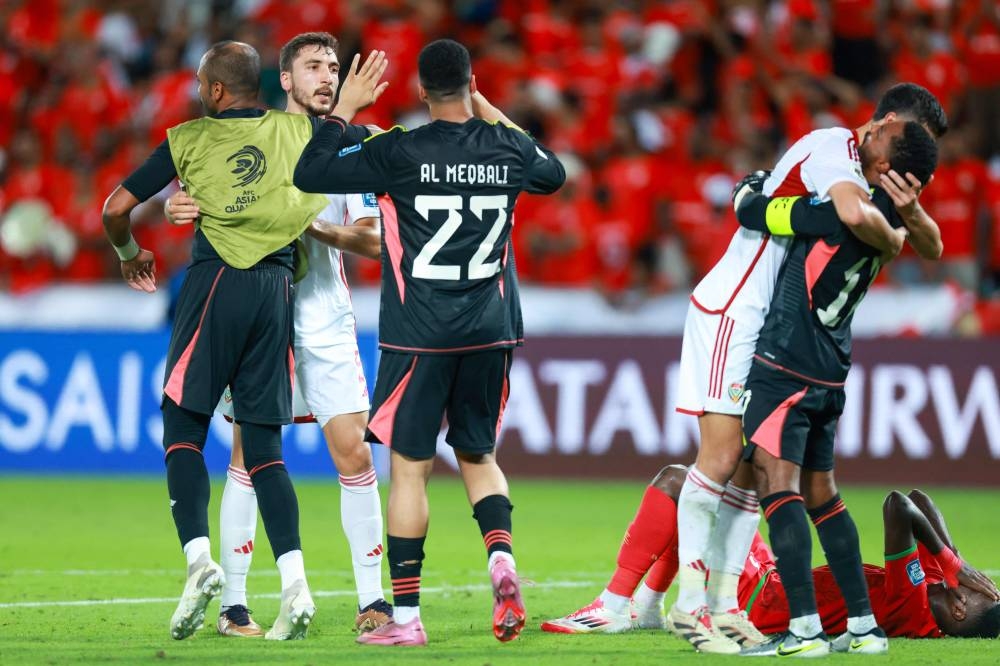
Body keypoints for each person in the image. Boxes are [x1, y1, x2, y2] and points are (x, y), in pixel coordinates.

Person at [101, 40, 385, 641]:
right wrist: (185, 205)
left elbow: (374, 239)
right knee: (247, 456)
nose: (328, 77)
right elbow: (211, 179)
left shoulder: (345, 141)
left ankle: (372, 602)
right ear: (283, 78)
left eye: (335, 69)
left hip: (324, 315)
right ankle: (235, 605)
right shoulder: (274, 132)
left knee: (353, 453)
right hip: (273, 304)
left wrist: (315, 225)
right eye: (315, 67)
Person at [293, 39, 566, 646]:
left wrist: (346, 110)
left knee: (410, 470)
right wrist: (489, 109)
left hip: (419, 335)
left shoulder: (399, 149)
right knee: (479, 456)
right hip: (491, 330)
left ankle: (409, 621)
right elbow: (554, 171)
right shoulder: (506, 146)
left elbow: (309, 171)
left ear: (420, 92)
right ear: (471, 84)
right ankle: (502, 561)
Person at [663, 83, 947, 654]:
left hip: (777, 328)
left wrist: (898, 218)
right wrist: (890, 235)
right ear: (886, 124)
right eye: (908, 139)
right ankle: (690, 608)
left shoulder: (872, 187)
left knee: (753, 470)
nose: (907, 158)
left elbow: (929, 244)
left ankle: (724, 605)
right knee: (723, 459)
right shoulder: (833, 149)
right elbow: (845, 214)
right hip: (738, 309)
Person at [734, 120, 939, 657]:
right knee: (823, 494)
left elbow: (766, 214)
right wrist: (903, 225)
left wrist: (747, 196)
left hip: (788, 361)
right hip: (830, 369)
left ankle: (804, 630)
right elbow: (930, 244)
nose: (866, 133)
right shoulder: (889, 219)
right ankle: (865, 627)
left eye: (878, 139)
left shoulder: (840, 210)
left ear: (884, 166)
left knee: (775, 483)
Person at [542, 466, 1000, 641]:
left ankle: (614, 604)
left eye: (974, 593)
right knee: (706, 492)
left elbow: (898, 504)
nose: (966, 584)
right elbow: (922, 496)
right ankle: (646, 608)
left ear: (959, 608)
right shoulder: (931, 596)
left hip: (758, 602)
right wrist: (951, 558)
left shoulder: (913, 601)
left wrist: (953, 564)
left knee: (679, 484)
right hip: (769, 578)